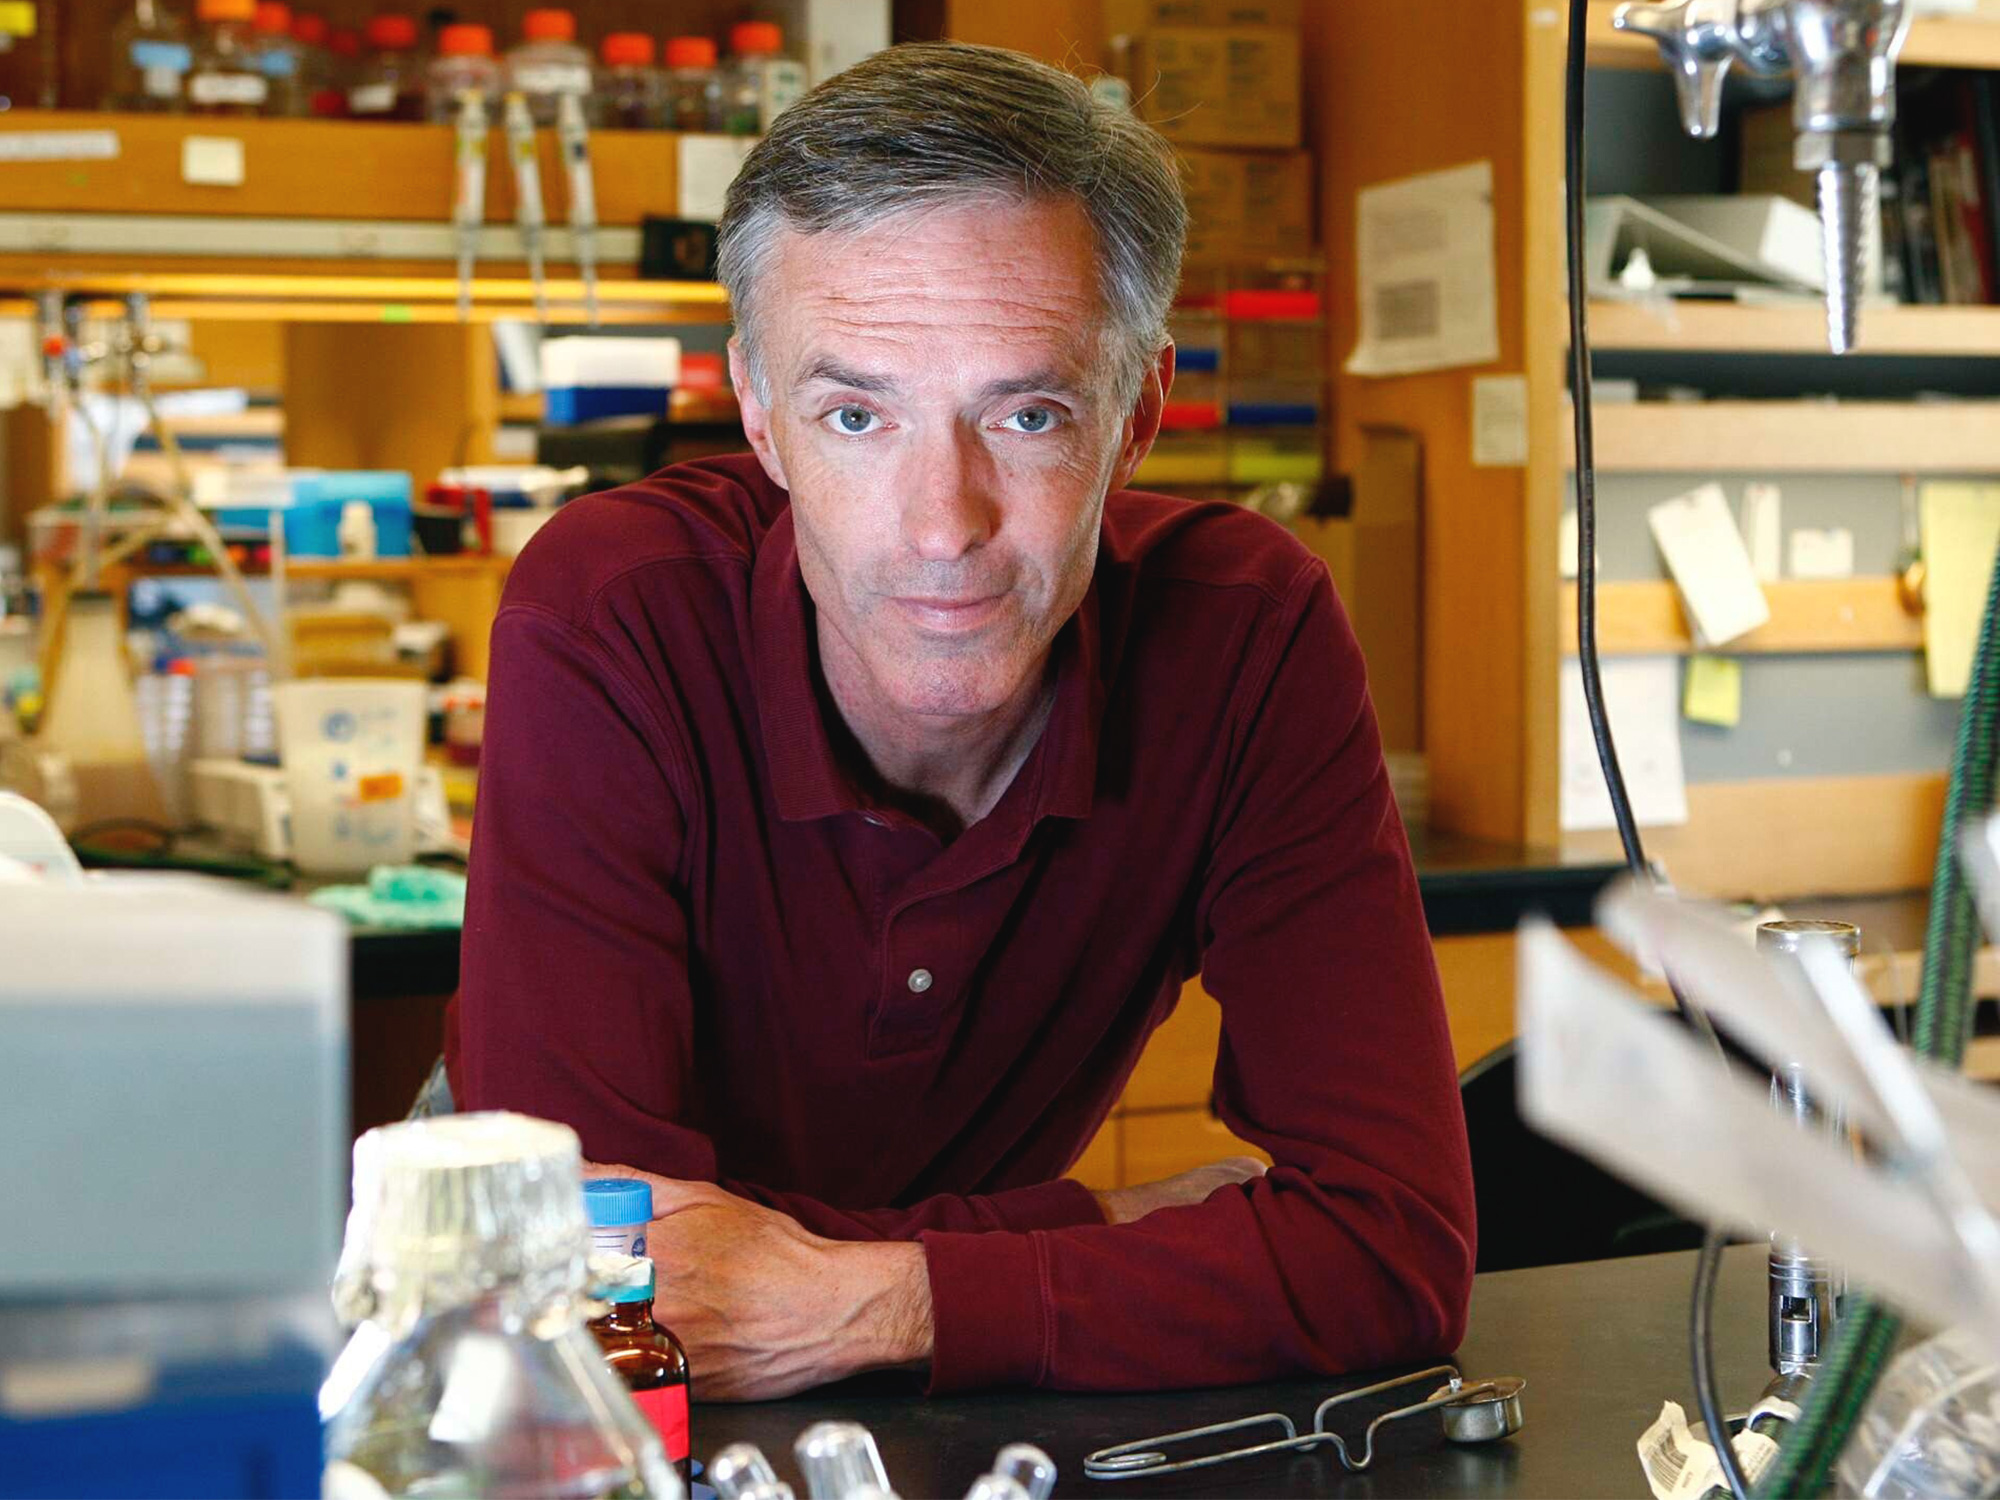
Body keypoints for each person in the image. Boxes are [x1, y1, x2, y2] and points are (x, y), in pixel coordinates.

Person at [452, 39, 1474, 1400]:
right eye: (857, 415)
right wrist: (1113, 1228)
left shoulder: (1247, 634)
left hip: (951, 1401)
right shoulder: (611, 611)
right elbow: (595, 1290)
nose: (945, 526)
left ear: (1137, 416)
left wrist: (873, 1300)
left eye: (1029, 414)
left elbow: (1393, 1252)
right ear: (757, 416)